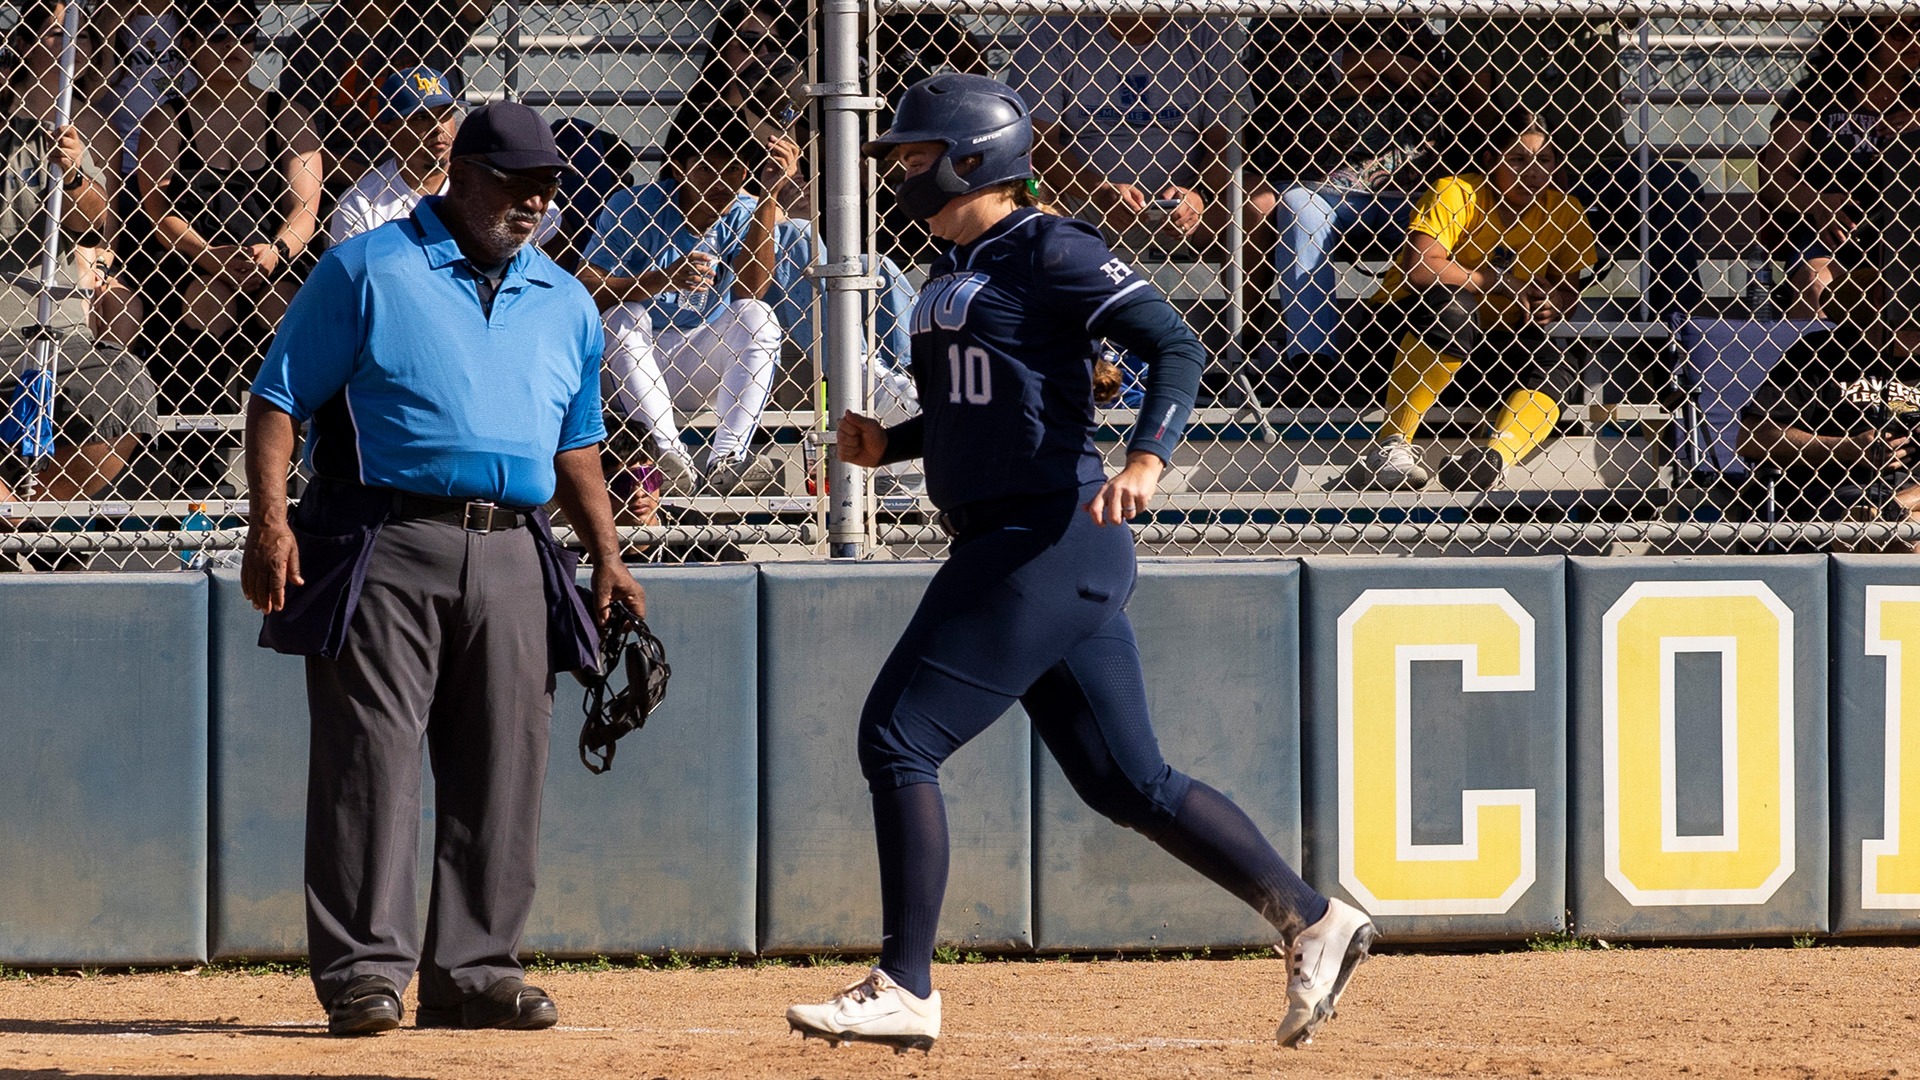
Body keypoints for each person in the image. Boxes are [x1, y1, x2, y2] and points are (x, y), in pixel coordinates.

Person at [782, 73, 1375, 1054]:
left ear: (975, 159)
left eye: (919, 155)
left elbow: (1173, 345)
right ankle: (1313, 918)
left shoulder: (1048, 244)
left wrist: (1148, 458)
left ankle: (906, 983)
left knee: (898, 737)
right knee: (1125, 782)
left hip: (1047, 535)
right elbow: (995, 404)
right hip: (1025, 536)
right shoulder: (955, 261)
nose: (903, 171)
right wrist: (888, 448)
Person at [241, 100, 642, 1037]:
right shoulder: (369, 265)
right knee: (369, 765)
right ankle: (363, 974)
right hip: (387, 536)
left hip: (514, 548)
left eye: (548, 186)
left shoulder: (566, 298)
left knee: (507, 765)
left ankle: (473, 971)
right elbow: (278, 397)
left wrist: (607, 558)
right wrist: (270, 524)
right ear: (459, 173)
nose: (537, 201)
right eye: (518, 183)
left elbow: (577, 445)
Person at [1341, 114, 1596, 492]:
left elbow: (1568, 291)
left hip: (1485, 350)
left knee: (1560, 360)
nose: (1533, 172)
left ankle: (1494, 458)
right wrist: (1498, 282)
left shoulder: (1564, 209)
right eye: (1518, 160)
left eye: (1544, 160)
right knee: (1455, 305)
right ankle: (1392, 445)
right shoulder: (1456, 191)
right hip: (1397, 339)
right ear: (1493, 159)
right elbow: (1422, 268)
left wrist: (1553, 302)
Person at [1253, 17, 1491, 398]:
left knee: (1449, 212)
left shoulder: (1411, 28)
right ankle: (1312, 361)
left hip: (1409, 188)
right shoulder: (1287, 21)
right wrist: (1381, 64)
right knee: (1299, 207)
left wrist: (1348, 78)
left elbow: (1442, 89)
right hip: (1319, 182)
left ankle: (1440, 356)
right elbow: (1287, 84)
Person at [580, 106, 795, 497]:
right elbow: (587, 285)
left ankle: (728, 460)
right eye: (706, 170)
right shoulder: (634, 205)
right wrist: (661, 278)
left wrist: (769, 196)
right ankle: (666, 455)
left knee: (759, 316)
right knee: (623, 315)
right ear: (678, 168)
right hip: (627, 367)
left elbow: (751, 291)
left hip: (698, 355)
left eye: (732, 170)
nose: (721, 182)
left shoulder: (747, 210)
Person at [0, 0, 160, 504]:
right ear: (24, 47)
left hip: (58, 329)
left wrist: (70, 174)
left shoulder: (65, 133)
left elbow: (93, 221)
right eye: (55, 34)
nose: (71, 45)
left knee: (127, 384)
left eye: (82, 36)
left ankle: (27, 516)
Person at [136, 0, 322, 410]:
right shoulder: (167, 119)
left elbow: (305, 208)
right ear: (187, 42)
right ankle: (196, 456)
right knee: (207, 300)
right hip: (194, 257)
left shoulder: (287, 114)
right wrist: (211, 257)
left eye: (243, 33)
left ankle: (285, 439)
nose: (231, 44)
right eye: (216, 33)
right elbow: (158, 210)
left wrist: (276, 251)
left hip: (274, 255)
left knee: (284, 304)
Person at [1005, 14, 1268, 261]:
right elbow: (1037, 142)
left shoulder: (1206, 30)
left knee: (1260, 200)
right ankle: (1043, 309)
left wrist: (1200, 195)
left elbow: (1227, 140)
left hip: (1186, 205)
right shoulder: (1055, 27)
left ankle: (1243, 313)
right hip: (1079, 200)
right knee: (1025, 190)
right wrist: (1099, 191)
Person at [1762, 15, 1920, 321]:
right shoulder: (1817, 94)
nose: (1915, 42)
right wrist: (1817, 203)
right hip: (1835, 232)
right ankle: (1814, 365)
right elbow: (1775, 176)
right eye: (1900, 33)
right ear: (1863, 37)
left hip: (1908, 233)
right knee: (1816, 282)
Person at [277, 0, 500, 192]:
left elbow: (476, 7)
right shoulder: (313, 42)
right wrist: (382, 185)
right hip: (353, 186)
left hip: (441, 176)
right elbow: (307, 148)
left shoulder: (434, 15)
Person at [1738, 317, 1920, 549]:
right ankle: (1891, 511)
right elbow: (1753, 437)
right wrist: (1846, 448)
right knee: (1907, 533)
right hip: (1842, 489)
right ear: (1880, 297)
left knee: (1904, 525)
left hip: (1909, 488)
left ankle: (1894, 506)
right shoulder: (1823, 352)